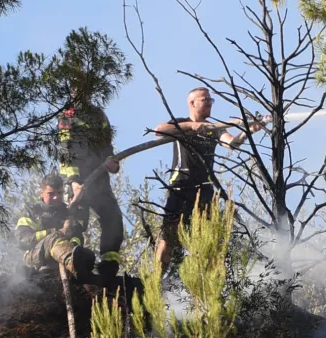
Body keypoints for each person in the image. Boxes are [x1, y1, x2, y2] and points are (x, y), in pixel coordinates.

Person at [151, 87, 263, 273]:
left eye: (211, 100)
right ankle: (156, 279)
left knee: (207, 239)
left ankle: (204, 282)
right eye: (205, 99)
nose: (210, 103)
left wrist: (248, 132)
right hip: (180, 186)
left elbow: (231, 143)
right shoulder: (180, 124)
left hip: (205, 191)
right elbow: (159, 131)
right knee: (168, 237)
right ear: (192, 103)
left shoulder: (215, 129)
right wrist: (190, 127)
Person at [58, 88, 124, 283]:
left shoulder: (99, 115)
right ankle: (75, 262)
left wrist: (112, 161)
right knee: (77, 220)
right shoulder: (67, 116)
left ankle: (109, 266)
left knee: (113, 218)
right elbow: (64, 152)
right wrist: (73, 182)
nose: (81, 92)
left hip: (100, 179)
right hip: (78, 179)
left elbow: (107, 146)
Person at [15, 174, 96, 281]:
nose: (56, 197)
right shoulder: (31, 211)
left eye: (59, 193)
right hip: (34, 257)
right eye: (51, 194)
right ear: (41, 193)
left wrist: (74, 245)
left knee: (85, 252)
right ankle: (73, 264)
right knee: (55, 238)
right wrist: (54, 232)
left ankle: (76, 262)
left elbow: (77, 235)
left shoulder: (67, 212)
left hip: (60, 259)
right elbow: (23, 240)